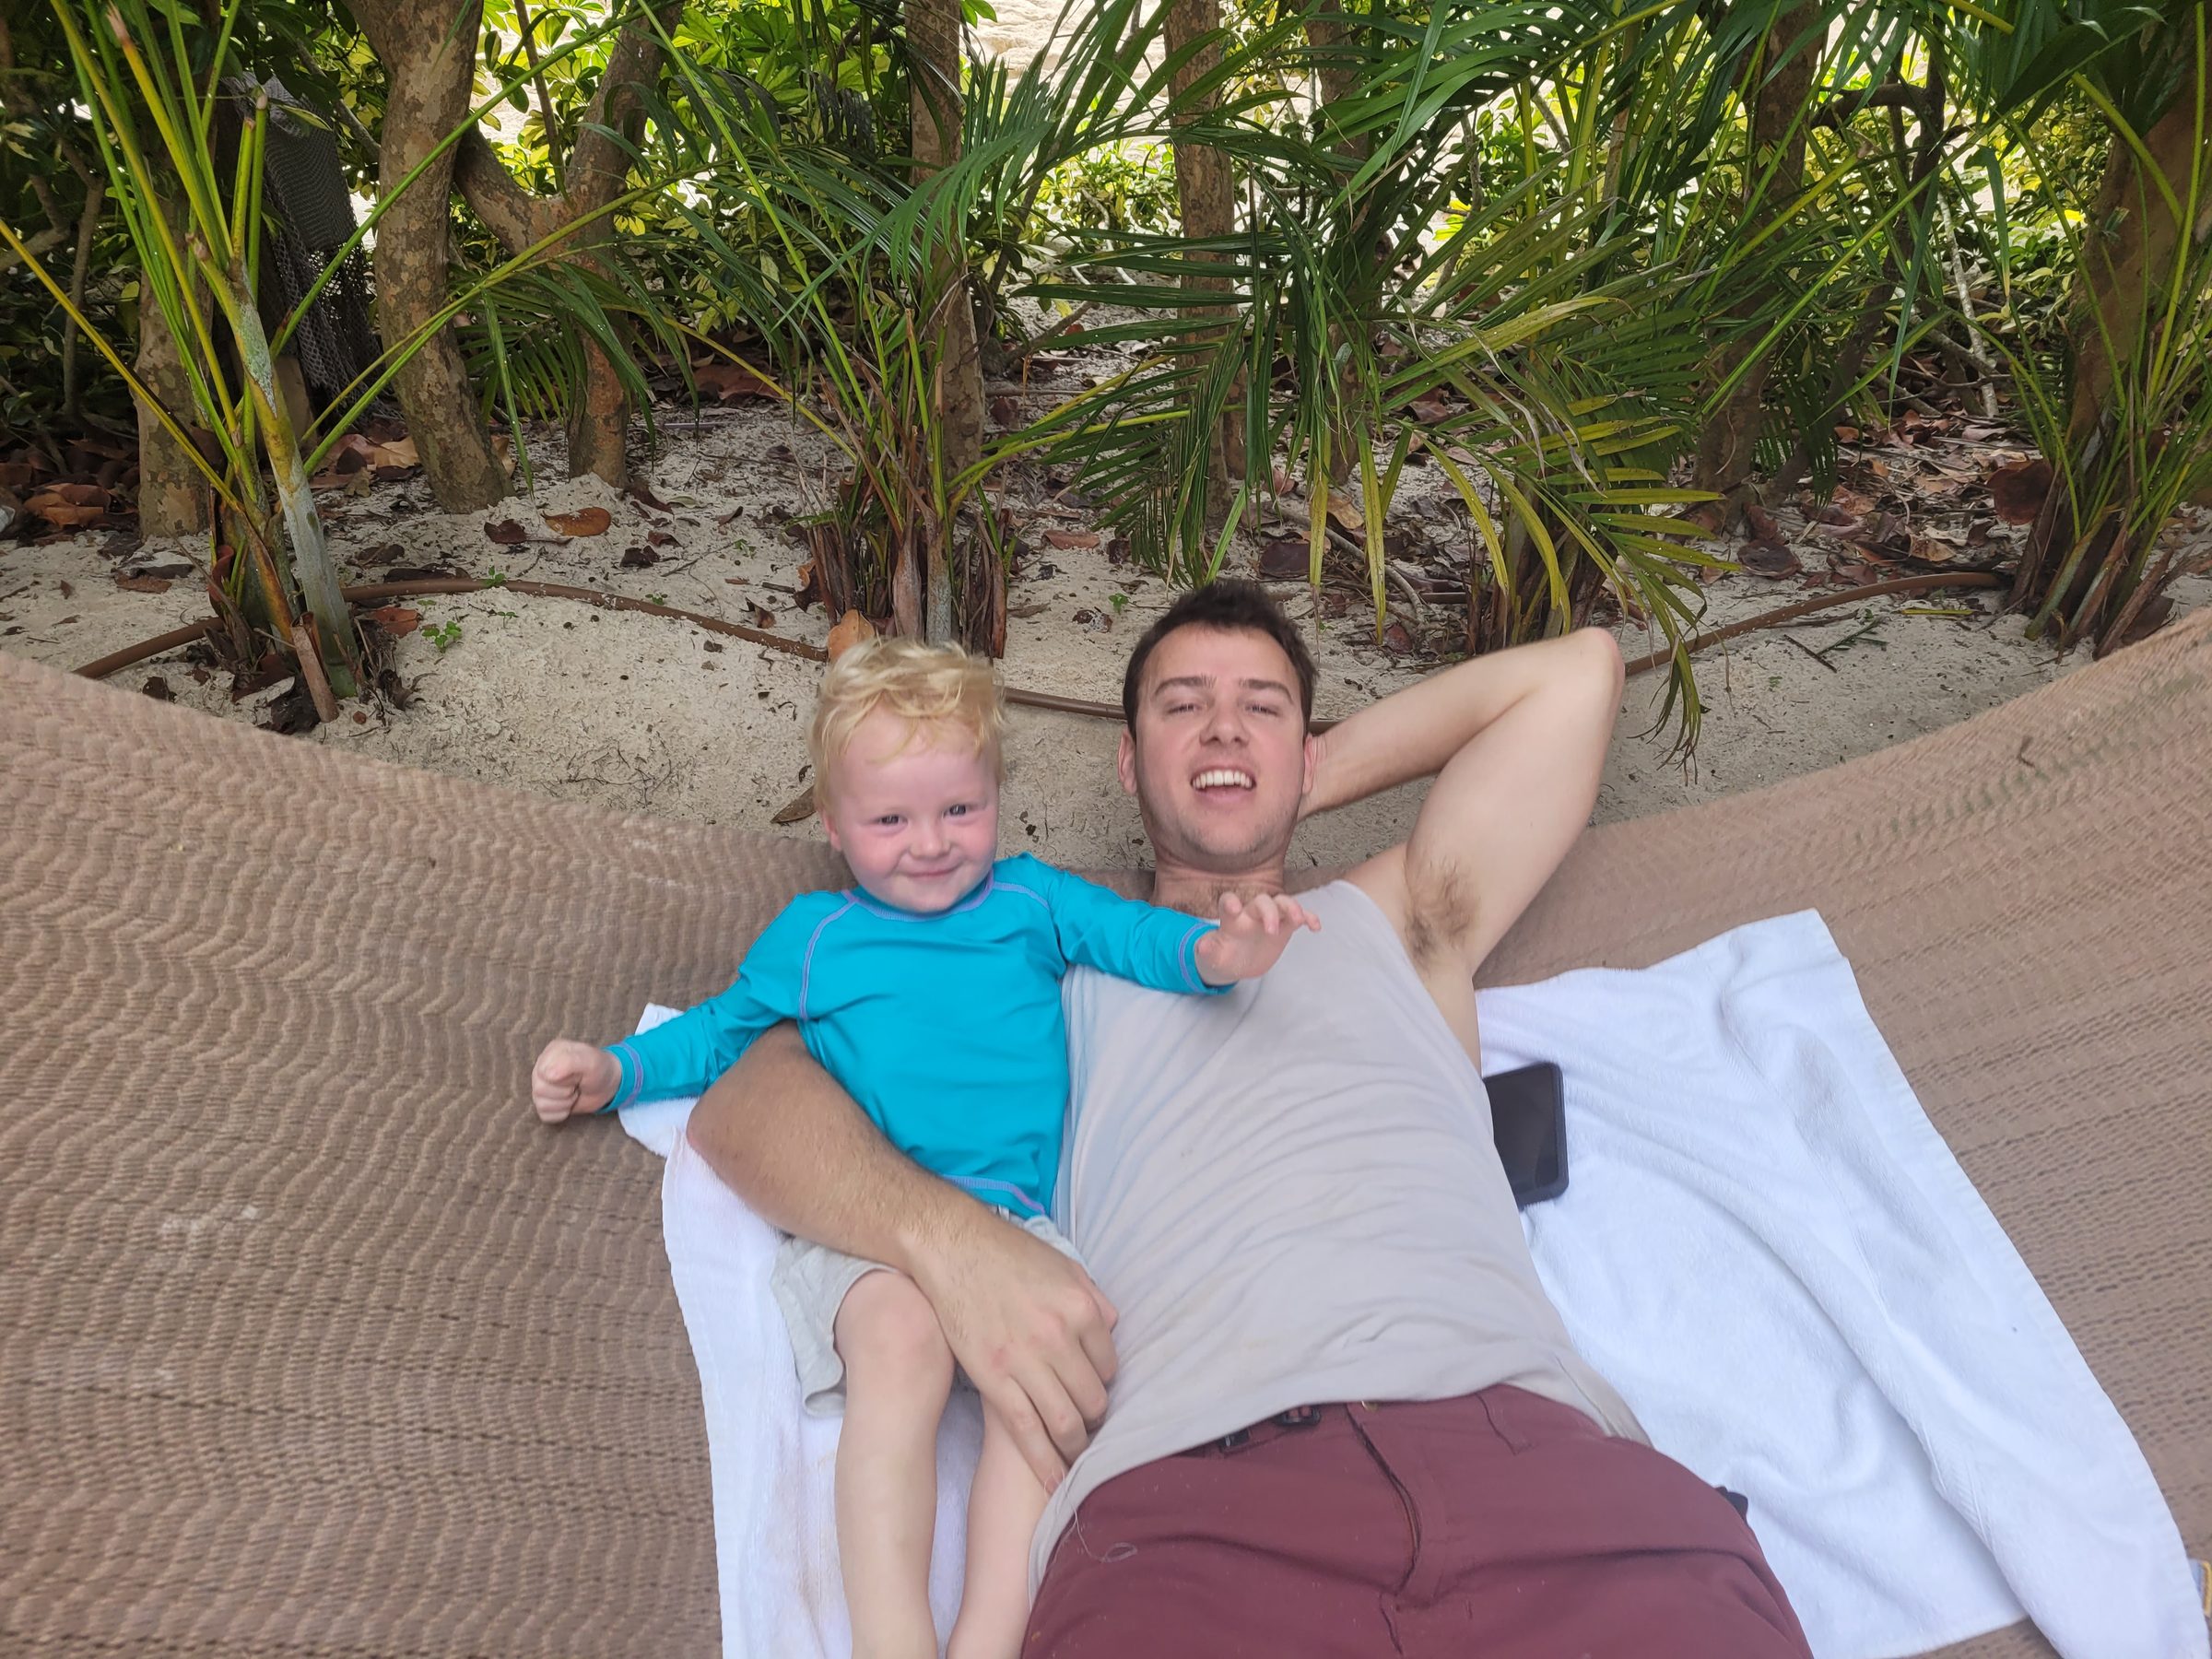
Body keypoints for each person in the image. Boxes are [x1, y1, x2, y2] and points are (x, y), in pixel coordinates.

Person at [527, 635, 1315, 1659]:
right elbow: (719, 1032)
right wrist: (615, 1070)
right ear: (834, 824)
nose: (931, 843)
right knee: (898, 1348)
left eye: (960, 810)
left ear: (997, 797)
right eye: (890, 820)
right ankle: (890, 1639)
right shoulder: (816, 934)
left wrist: (1220, 950)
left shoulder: (1032, 899)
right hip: (877, 1227)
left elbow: (1139, 938)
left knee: (1053, 1390)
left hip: (1018, 1220)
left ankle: (989, 1636)